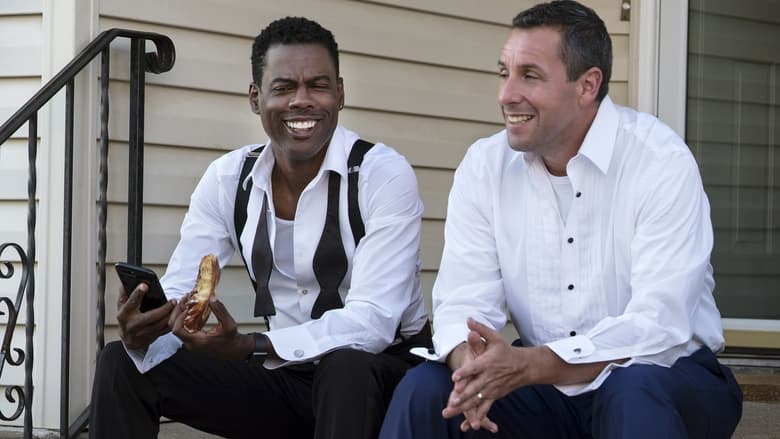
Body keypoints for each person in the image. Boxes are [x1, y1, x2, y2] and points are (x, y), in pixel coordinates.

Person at [379, 1, 743, 438]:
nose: (506, 94)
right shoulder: (484, 166)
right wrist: (474, 371)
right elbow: (464, 302)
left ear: (587, 85)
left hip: (667, 378)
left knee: (631, 390)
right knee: (427, 389)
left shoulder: (659, 161)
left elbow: (659, 325)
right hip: (543, 387)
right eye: (504, 73)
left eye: (529, 76)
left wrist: (530, 365)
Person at [89, 16, 430, 439]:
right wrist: (150, 327)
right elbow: (183, 289)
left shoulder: (381, 174)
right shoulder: (229, 178)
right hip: (286, 376)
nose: (302, 101)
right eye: (283, 87)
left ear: (340, 94)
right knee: (121, 362)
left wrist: (253, 346)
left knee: (345, 367)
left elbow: (373, 322)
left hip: (383, 377)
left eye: (318, 86)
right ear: (255, 97)